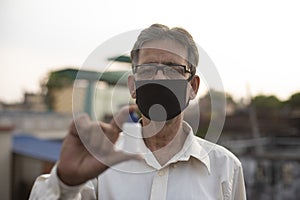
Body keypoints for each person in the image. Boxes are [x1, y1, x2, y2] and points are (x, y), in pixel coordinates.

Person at [29, 24, 246, 199]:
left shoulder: (225, 168)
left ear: (193, 87)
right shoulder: (100, 159)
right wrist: (65, 183)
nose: (159, 78)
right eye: (149, 69)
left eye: (173, 69)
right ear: (133, 86)